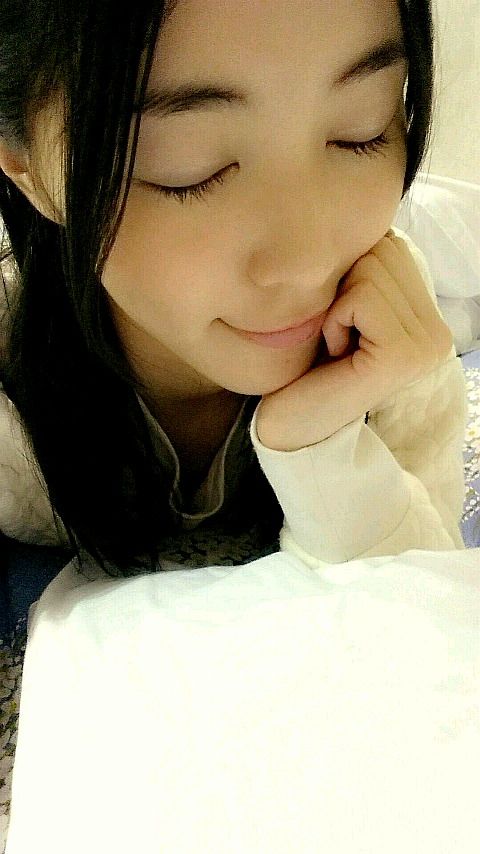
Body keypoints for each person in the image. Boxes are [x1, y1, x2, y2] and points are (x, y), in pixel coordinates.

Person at [0, 0, 468, 581]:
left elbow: (421, 593)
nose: (306, 266)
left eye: (361, 133)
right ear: (27, 170)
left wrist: (320, 447)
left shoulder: (392, 329)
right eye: (187, 168)